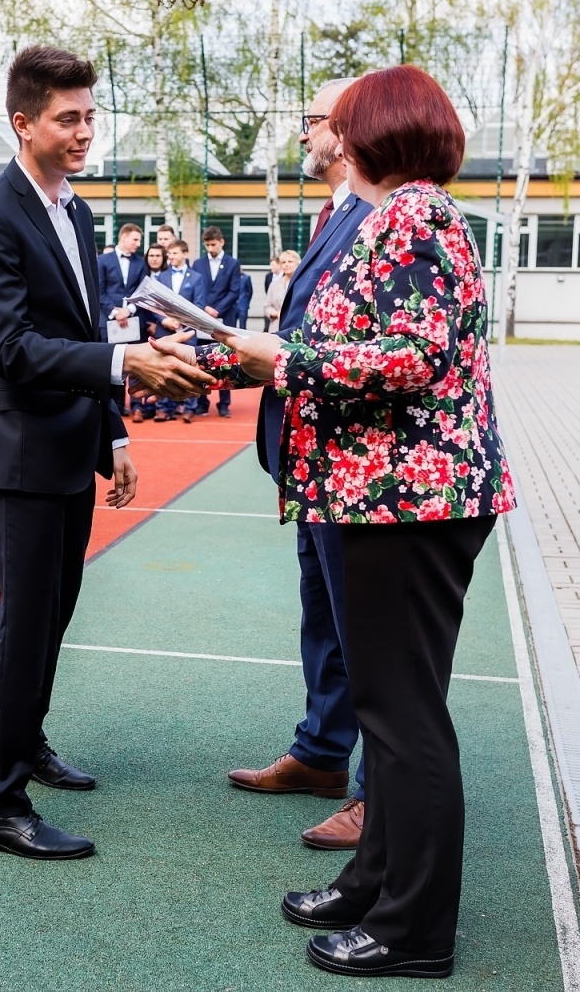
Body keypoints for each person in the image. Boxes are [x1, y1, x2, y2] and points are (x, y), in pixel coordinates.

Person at [176, 65, 513, 978]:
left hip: (407, 497)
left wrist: (280, 361)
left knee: (405, 721)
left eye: (338, 122)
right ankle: (374, 882)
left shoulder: (414, 214)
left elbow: (408, 357)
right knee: (389, 708)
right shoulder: (403, 215)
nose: (326, 133)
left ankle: (414, 930)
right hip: (387, 493)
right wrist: (281, 355)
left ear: (375, 132)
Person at [0, 45, 211, 861]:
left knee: (53, 614)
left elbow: (86, 330)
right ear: (22, 123)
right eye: (69, 118)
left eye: (91, 116)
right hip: (22, 454)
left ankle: (26, 744)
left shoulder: (78, 211)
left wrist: (116, 434)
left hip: (73, 443)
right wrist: (125, 363)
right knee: (23, 621)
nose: (85, 132)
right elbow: (15, 350)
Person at [224, 75, 375, 854]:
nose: (302, 133)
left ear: (347, 131)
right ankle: (321, 754)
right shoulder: (338, 211)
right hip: (313, 457)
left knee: (367, 635)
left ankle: (372, 796)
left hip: (359, 466)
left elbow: (389, 356)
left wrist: (274, 362)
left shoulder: (390, 216)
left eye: (311, 121)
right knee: (326, 617)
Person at [191, 225, 242, 416]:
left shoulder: (232, 263)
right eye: (207, 245)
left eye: (213, 244)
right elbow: (196, 289)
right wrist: (204, 307)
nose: (210, 248)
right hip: (203, 317)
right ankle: (202, 402)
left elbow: (234, 291)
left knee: (225, 359)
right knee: (202, 358)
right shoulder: (198, 264)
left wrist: (218, 309)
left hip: (224, 317)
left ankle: (224, 404)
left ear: (221, 242)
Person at [155, 239, 203, 423]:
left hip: (187, 330)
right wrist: (165, 320)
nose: (170, 257)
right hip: (166, 330)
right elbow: (157, 305)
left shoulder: (197, 278)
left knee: (189, 369)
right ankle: (163, 408)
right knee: (164, 368)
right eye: (169, 254)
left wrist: (180, 320)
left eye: (174, 253)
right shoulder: (162, 276)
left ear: (184, 253)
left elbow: (198, 305)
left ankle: (189, 408)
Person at [129, 242, 169, 423]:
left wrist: (157, 323)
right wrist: (148, 323)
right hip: (139, 327)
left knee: (158, 365)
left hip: (161, 328)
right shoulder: (140, 274)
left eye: (157, 256)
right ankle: (138, 407)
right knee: (136, 367)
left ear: (163, 258)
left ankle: (158, 407)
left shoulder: (168, 276)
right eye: (151, 255)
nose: (154, 259)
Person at [97, 222, 148, 340]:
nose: (138, 244)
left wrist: (129, 310)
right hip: (108, 320)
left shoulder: (141, 263)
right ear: (124, 237)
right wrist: (115, 312)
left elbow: (143, 291)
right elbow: (98, 290)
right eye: (135, 240)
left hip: (134, 320)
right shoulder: (103, 260)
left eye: (139, 240)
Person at [263, 250, 300, 329]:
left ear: (297, 263)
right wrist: (276, 313)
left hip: (295, 327)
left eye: (290, 261)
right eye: (283, 262)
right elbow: (267, 306)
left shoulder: (303, 284)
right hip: (276, 326)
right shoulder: (274, 284)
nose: (286, 264)